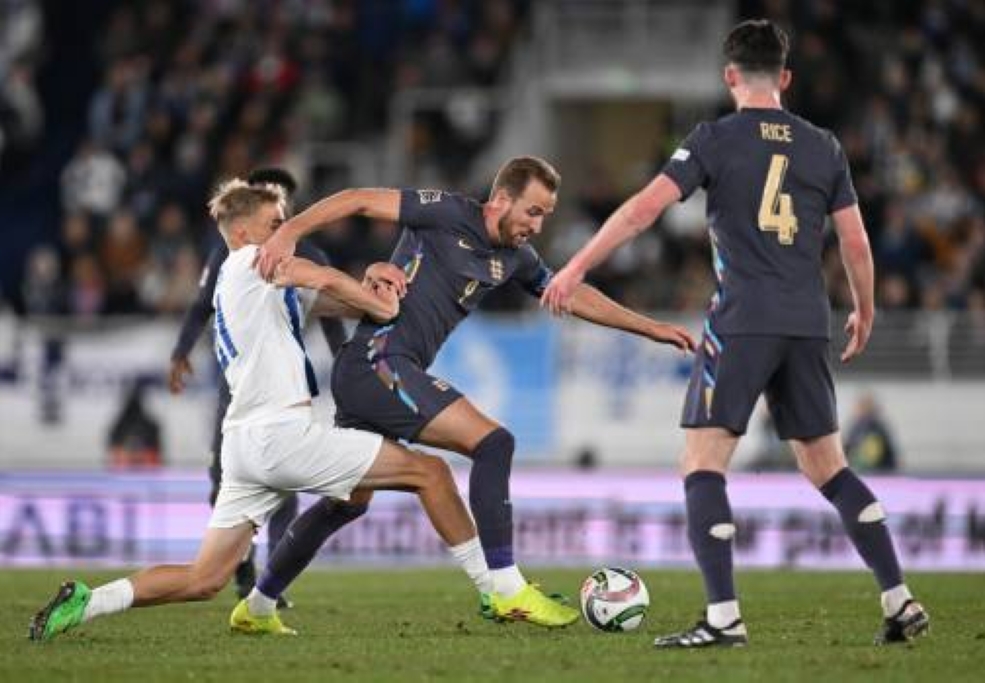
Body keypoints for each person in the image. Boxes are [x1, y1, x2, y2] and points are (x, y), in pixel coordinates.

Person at [542, 20, 929, 648]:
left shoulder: (713, 140)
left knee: (702, 461)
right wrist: (866, 308)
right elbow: (855, 240)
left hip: (744, 318)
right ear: (785, 78)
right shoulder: (823, 145)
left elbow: (644, 209)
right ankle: (899, 598)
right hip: (807, 322)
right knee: (828, 466)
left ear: (729, 77)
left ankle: (723, 618)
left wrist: (577, 266)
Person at [249, 156, 695, 629]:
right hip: (377, 363)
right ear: (501, 199)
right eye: (533, 211)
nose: (537, 226)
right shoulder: (445, 212)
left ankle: (257, 607)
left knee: (349, 502)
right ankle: (505, 588)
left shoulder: (517, 259)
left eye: (544, 215)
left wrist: (648, 327)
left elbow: (570, 294)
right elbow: (357, 200)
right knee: (492, 442)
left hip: (384, 372)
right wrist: (288, 232)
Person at [29, 179, 483, 641]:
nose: (287, 231)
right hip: (280, 435)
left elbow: (330, 299)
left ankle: (87, 602)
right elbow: (324, 277)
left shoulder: (253, 283)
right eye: (276, 224)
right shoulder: (249, 262)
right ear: (244, 232)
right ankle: (498, 590)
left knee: (203, 579)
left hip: (244, 446)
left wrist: (369, 285)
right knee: (431, 473)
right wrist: (378, 302)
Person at [167, 167, 346, 606]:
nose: (277, 214)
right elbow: (200, 306)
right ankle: (242, 565)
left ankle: (269, 581)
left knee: (285, 486)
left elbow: (332, 318)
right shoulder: (235, 256)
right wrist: (181, 351)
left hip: (283, 389)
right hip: (240, 389)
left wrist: (347, 373)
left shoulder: (309, 254)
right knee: (224, 480)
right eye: (267, 203)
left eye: (281, 204)